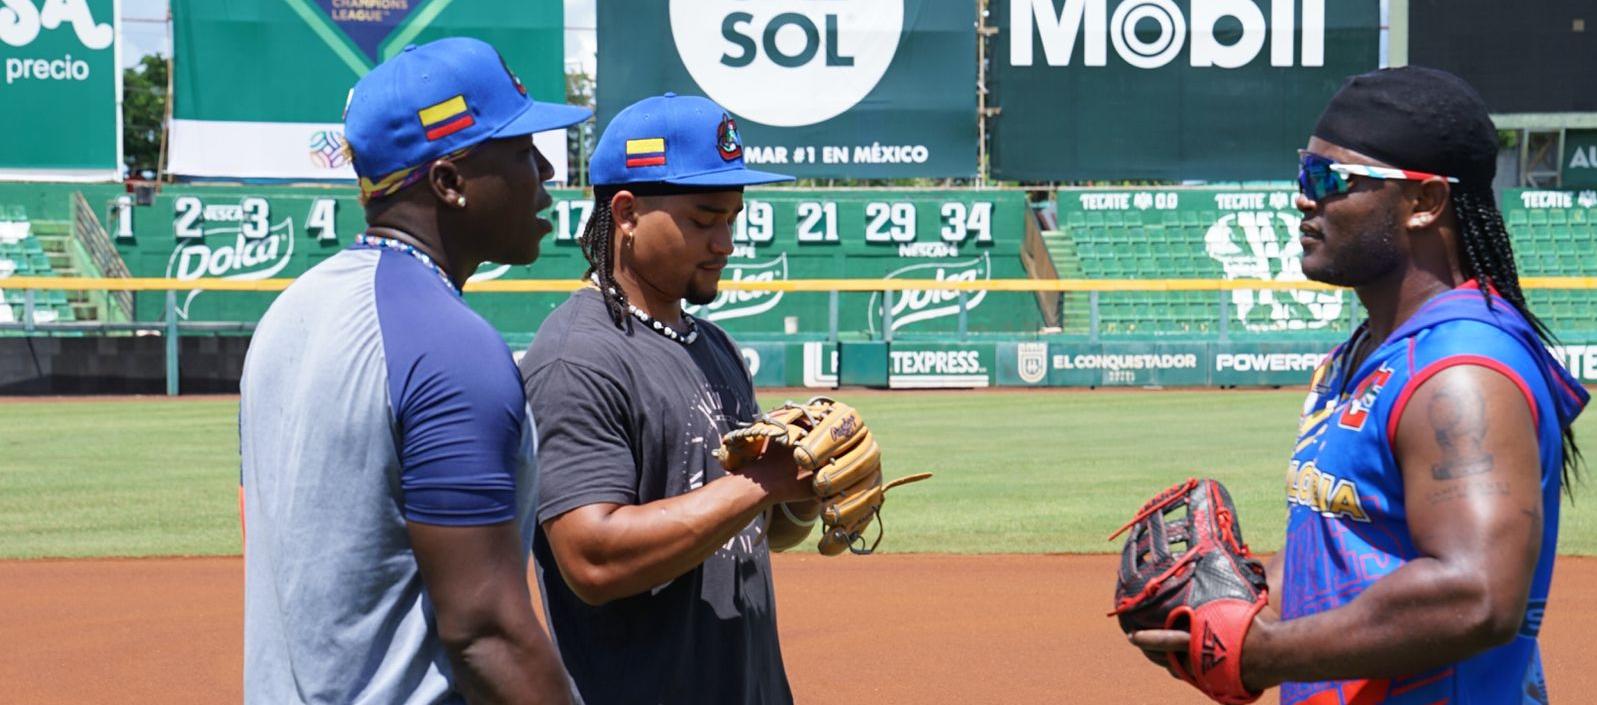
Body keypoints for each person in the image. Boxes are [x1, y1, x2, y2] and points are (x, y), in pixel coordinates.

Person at [1131, 66, 1587, 704]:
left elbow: (1477, 593)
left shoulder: (1459, 371)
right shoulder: (1366, 353)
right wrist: (1240, 611)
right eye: (1303, 172)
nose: (1303, 197)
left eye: (1330, 179)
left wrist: (1262, 654)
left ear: (1424, 202)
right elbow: (1348, 556)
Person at [239, 37, 589, 704]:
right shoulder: (450, 344)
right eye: (519, 152)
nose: (544, 171)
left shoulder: (290, 312)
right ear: (449, 182)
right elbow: (485, 632)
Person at [518, 94, 809, 705]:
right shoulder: (579, 357)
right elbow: (594, 561)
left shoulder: (715, 345)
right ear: (625, 212)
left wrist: (803, 492)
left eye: (733, 217)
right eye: (704, 219)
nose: (725, 241)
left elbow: (755, 531)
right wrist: (759, 482)